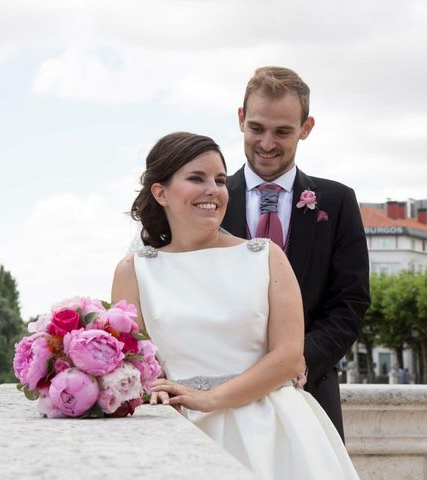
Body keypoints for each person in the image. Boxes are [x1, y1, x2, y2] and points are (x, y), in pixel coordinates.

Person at [112, 132, 359, 479]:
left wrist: (210, 400)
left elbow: (288, 355)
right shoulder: (133, 271)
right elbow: (133, 365)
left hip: (273, 432)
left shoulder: (266, 256)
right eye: (197, 178)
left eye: (220, 180)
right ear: (161, 192)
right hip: (178, 432)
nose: (213, 190)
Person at [221, 66, 370, 440]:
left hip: (309, 392)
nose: (267, 143)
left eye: (283, 131)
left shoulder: (337, 202)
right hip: (221, 395)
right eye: (257, 128)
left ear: (307, 127)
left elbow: (349, 303)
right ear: (240, 119)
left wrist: (294, 361)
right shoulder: (209, 200)